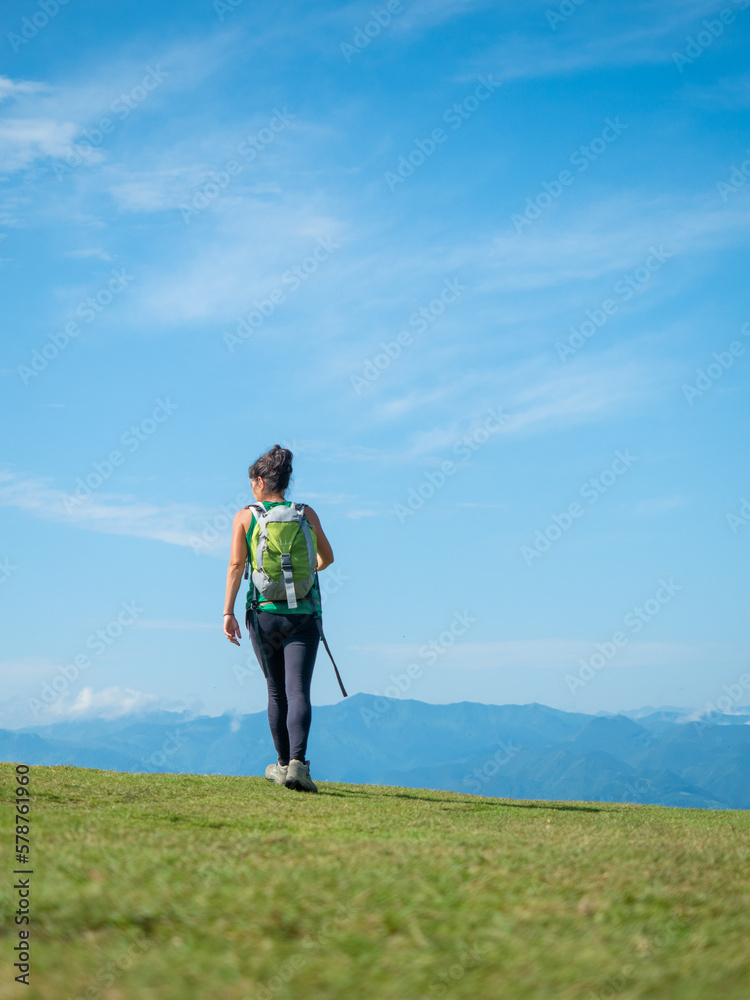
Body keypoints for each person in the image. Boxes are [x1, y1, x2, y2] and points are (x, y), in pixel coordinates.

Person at [222, 445, 334, 793]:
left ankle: (282, 765)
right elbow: (326, 558)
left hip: (264, 615)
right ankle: (299, 766)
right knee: (298, 688)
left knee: (276, 690)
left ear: (258, 481)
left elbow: (237, 567)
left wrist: (228, 611)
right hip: (303, 613)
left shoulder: (245, 516)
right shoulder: (306, 513)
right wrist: (301, 580)